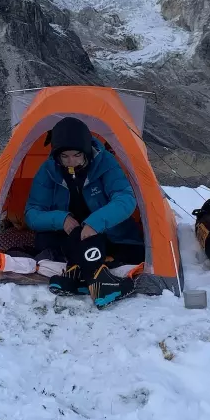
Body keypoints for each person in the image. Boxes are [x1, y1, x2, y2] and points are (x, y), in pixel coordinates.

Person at [24, 116, 143, 306]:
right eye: (64, 156)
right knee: (46, 240)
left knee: (123, 248)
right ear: (56, 155)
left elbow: (126, 199)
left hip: (107, 233)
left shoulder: (105, 163)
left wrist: (96, 223)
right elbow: (32, 213)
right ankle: (99, 282)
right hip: (68, 234)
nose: (71, 162)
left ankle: (77, 275)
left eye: (77, 155)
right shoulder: (48, 170)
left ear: (86, 151)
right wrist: (61, 219)